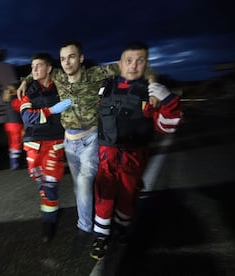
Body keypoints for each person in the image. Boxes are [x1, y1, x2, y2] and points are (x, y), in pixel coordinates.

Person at [17, 41, 158, 247]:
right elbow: (39, 70)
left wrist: (152, 87)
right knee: (79, 186)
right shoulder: (57, 75)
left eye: (72, 57)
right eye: (63, 58)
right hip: (69, 142)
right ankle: (99, 212)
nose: (66, 62)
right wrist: (24, 81)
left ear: (81, 58)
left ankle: (85, 228)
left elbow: (134, 66)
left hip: (91, 139)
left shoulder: (94, 74)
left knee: (84, 184)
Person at [89, 41, 183, 260]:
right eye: (128, 61)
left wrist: (168, 100)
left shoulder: (150, 93)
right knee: (103, 196)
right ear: (120, 64)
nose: (133, 66)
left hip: (133, 157)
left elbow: (167, 126)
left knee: (127, 197)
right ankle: (101, 237)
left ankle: (121, 229)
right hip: (106, 155)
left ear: (146, 64)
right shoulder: (105, 86)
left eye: (140, 61)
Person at [19, 52, 72, 242]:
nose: (33, 69)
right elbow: (27, 117)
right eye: (32, 66)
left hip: (54, 143)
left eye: (38, 66)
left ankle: (48, 222)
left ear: (49, 69)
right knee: (38, 178)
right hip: (33, 143)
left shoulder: (61, 86)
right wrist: (51, 111)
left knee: (50, 184)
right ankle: (48, 200)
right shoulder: (30, 91)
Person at [2, 82, 24, 170]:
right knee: (17, 144)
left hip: (8, 125)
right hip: (15, 125)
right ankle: (15, 163)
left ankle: (13, 161)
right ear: (15, 91)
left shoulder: (6, 100)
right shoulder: (15, 100)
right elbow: (22, 109)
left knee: (12, 144)